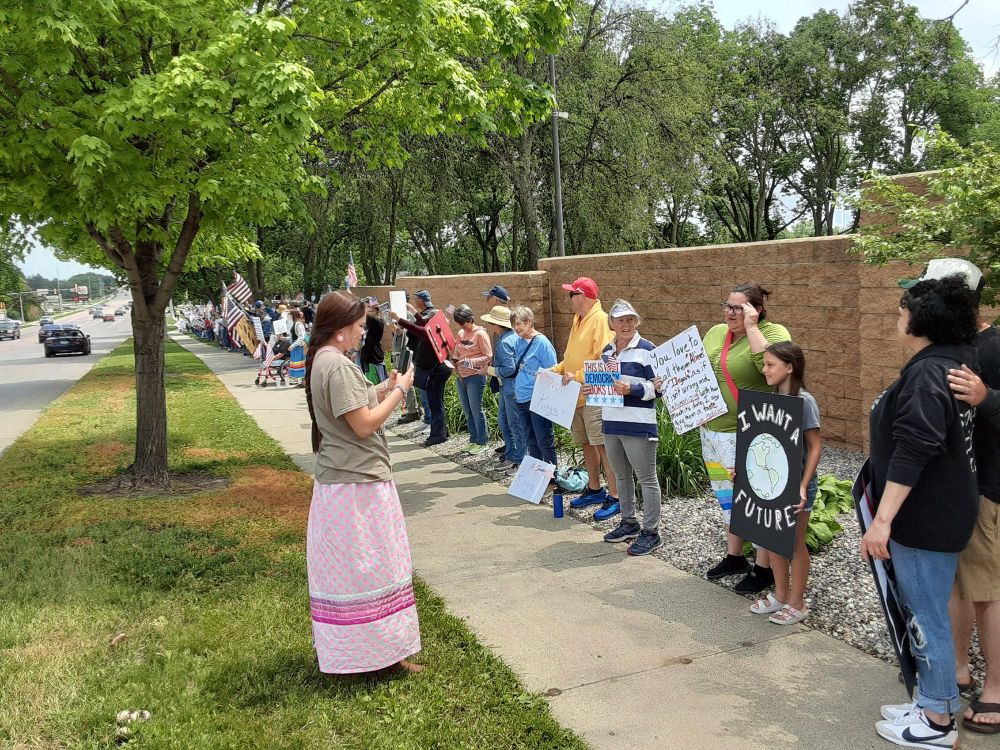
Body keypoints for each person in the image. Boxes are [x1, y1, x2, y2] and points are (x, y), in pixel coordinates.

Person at [861, 274, 979, 750]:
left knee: (925, 614)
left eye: (903, 310)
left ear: (922, 320)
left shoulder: (930, 373)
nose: (898, 317)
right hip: (942, 511)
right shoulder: (948, 362)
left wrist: (883, 520)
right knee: (925, 610)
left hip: (924, 517)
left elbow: (915, 449)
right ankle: (936, 698)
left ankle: (935, 723)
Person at [303, 291, 420, 675]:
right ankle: (378, 655)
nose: (362, 335)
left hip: (345, 482)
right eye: (358, 328)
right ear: (339, 330)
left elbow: (352, 405)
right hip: (357, 484)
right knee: (374, 568)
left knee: (357, 573)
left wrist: (384, 388)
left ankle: (371, 653)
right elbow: (364, 423)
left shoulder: (325, 359)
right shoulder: (336, 365)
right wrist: (402, 390)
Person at [938, 260, 1000, 734]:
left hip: (988, 489)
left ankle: (996, 687)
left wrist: (987, 398)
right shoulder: (957, 349)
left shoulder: (994, 347)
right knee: (960, 585)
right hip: (960, 487)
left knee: (987, 592)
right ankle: (958, 667)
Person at [700, 282, 791, 595]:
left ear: (757, 309)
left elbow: (766, 367)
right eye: (727, 306)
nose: (730, 312)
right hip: (712, 428)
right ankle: (734, 556)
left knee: (756, 499)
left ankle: (764, 568)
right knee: (730, 498)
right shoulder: (715, 333)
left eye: (738, 308)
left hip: (750, 432)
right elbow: (699, 370)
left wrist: (752, 327)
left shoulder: (775, 334)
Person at [748, 342, 821, 625]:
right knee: (771, 539)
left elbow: (815, 446)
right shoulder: (770, 400)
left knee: (793, 544)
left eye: (770, 365)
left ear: (789, 367)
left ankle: (797, 602)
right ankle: (780, 595)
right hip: (771, 483)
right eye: (764, 364)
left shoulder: (805, 401)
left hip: (797, 486)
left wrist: (803, 485)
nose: (764, 370)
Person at [598, 300, 664, 555]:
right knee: (621, 476)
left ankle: (651, 532)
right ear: (611, 324)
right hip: (611, 422)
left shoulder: (648, 350)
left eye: (630, 319)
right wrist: (593, 389)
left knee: (647, 479)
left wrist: (632, 388)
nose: (625, 324)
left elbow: (659, 387)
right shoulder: (607, 351)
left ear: (637, 322)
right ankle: (629, 522)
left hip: (639, 425)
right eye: (620, 320)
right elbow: (604, 386)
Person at [551, 278, 618, 517]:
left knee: (603, 445)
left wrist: (577, 375)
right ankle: (594, 488)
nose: (568, 299)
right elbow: (574, 356)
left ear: (583, 296)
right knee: (587, 443)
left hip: (594, 396)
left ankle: (615, 495)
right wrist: (558, 369)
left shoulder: (600, 319)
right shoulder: (578, 319)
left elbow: (606, 360)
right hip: (577, 396)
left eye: (572, 294)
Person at [392, 289, 452, 447]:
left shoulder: (432, 323)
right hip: (435, 368)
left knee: (435, 402)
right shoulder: (433, 322)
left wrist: (400, 319)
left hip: (436, 369)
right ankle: (442, 431)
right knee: (436, 402)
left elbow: (422, 330)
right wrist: (414, 312)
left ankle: (438, 435)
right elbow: (423, 325)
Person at [510, 305, 558, 467]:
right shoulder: (518, 342)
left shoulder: (542, 343)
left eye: (519, 324)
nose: (516, 328)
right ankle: (536, 476)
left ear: (529, 321)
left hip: (538, 399)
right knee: (531, 441)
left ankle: (552, 476)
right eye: (514, 324)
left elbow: (553, 371)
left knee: (544, 440)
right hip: (521, 398)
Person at [482, 305, 524, 474]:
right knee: (507, 421)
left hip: (509, 386)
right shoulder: (513, 337)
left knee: (513, 423)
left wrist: (489, 370)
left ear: (496, 325)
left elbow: (509, 368)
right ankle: (513, 454)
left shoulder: (504, 342)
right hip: (512, 386)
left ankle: (518, 458)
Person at [451, 304, 493, 455]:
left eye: (463, 322)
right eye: (459, 324)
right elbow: (457, 350)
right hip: (461, 376)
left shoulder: (480, 334)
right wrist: (455, 359)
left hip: (475, 376)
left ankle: (482, 442)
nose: (462, 326)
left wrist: (469, 362)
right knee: (467, 411)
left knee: (476, 410)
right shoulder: (461, 333)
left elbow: (488, 355)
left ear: (470, 319)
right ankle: (473, 439)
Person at [360, 296, 387, 386]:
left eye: (369, 308)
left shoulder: (377, 321)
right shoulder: (370, 323)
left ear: (375, 310)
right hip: (369, 360)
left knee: (375, 388)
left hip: (374, 361)